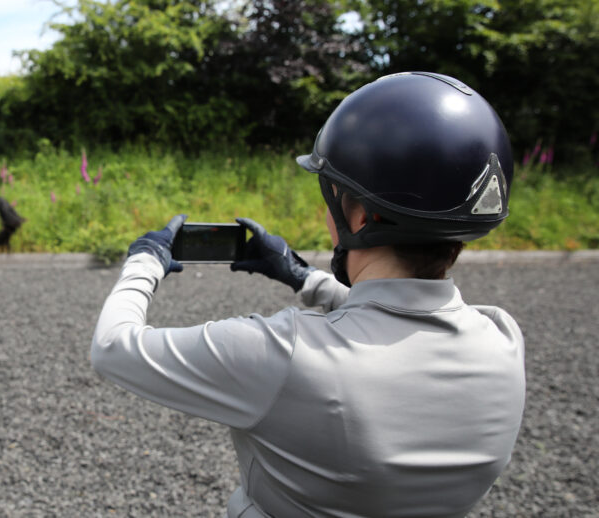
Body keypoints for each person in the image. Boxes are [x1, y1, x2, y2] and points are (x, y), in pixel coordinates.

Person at [90, 72, 525, 517]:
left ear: (358, 215)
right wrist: (302, 276)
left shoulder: (281, 352)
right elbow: (395, 328)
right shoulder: (502, 340)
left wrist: (145, 261)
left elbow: (112, 347)